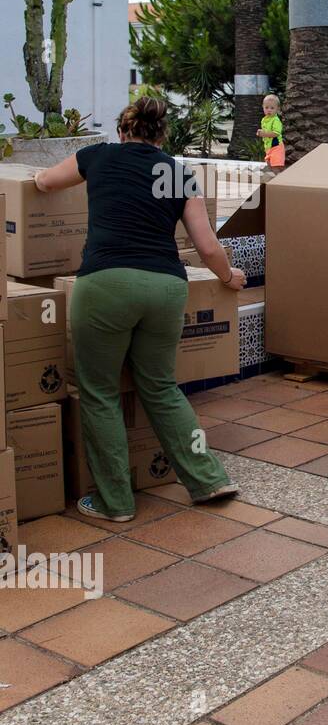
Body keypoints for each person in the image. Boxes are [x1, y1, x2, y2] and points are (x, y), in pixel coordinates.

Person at [32, 97, 246, 521]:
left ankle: (116, 502)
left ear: (122, 132)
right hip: (166, 288)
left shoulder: (97, 156)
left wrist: (37, 177)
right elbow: (206, 246)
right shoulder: (178, 173)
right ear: (161, 136)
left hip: (105, 284)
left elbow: (45, 182)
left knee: (99, 392)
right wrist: (228, 277)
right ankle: (207, 479)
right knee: (162, 387)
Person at [255, 93, 285, 168]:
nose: (269, 110)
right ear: (263, 107)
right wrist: (260, 132)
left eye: (272, 108)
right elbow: (267, 130)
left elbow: (276, 133)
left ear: (277, 109)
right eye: (266, 107)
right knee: (269, 164)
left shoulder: (276, 120)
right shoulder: (264, 120)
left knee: (276, 166)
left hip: (276, 147)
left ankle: (278, 178)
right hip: (268, 147)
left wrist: (264, 134)